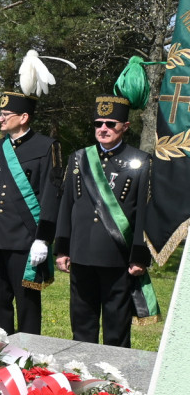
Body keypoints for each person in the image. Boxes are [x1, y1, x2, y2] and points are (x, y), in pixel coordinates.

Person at [55, 95, 150, 347]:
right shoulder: (78, 158)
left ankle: (114, 381)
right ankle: (82, 372)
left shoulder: (140, 161)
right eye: (98, 124)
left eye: (111, 123)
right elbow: (67, 206)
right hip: (81, 253)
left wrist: (139, 255)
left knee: (116, 326)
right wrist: (62, 248)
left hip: (116, 257)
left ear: (125, 127)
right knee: (82, 322)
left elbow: (143, 212)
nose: (103, 129)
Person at [0, 91, 63, 334]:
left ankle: (28, 357)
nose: (0, 119)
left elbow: (50, 194)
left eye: (5, 114)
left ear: (24, 117)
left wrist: (43, 238)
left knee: (27, 305)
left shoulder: (46, 147)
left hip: (24, 238)